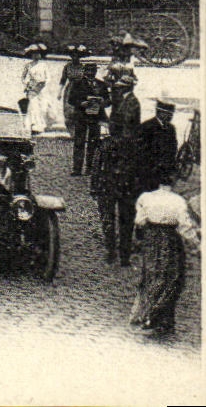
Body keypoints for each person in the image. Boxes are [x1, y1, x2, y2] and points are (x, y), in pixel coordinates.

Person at [130, 171, 198, 340]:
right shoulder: (178, 201)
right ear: (173, 181)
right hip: (170, 241)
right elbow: (184, 227)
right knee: (172, 278)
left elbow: (139, 221)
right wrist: (197, 245)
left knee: (151, 276)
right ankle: (161, 318)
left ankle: (149, 315)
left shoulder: (146, 198)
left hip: (151, 240)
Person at [94, 67, 143, 265]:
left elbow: (128, 135)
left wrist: (111, 140)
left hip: (124, 166)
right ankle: (113, 251)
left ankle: (122, 254)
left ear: (127, 87)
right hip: (115, 163)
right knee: (109, 213)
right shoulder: (121, 102)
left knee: (124, 214)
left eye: (119, 87)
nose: (116, 90)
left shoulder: (132, 104)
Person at [62, 45, 105, 177]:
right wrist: (82, 103)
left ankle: (90, 168)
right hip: (81, 116)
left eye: (93, 71)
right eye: (89, 71)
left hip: (95, 117)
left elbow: (108, 100)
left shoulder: (101, 84)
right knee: (79, 142)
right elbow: (71, 99)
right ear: (85, 72)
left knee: (93, 143)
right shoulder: (78, 84)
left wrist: (103, 102)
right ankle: (77, 168)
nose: (91, 74)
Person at [136, 100, 180, 195]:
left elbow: (173, 148)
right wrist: (154, 165)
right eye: (167, 114)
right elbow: (141, 151)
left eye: (171, 114)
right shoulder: (147, 127)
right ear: (159, 112)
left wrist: (170, 167)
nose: (170, 117)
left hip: (165, 172)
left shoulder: (171, 128)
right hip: (149, 172)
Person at [20, 43, 53, 134]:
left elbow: (48, 77)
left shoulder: (43, 65)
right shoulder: (28, 65)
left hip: (42, 89)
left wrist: (44, 83)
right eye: (34, 53)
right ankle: (33, 125)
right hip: (32, 89)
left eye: (37, 53)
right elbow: (23, 78)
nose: (36, 55)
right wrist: (27, 84)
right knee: (33, 107)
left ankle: (41, 125)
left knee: (42, 107)